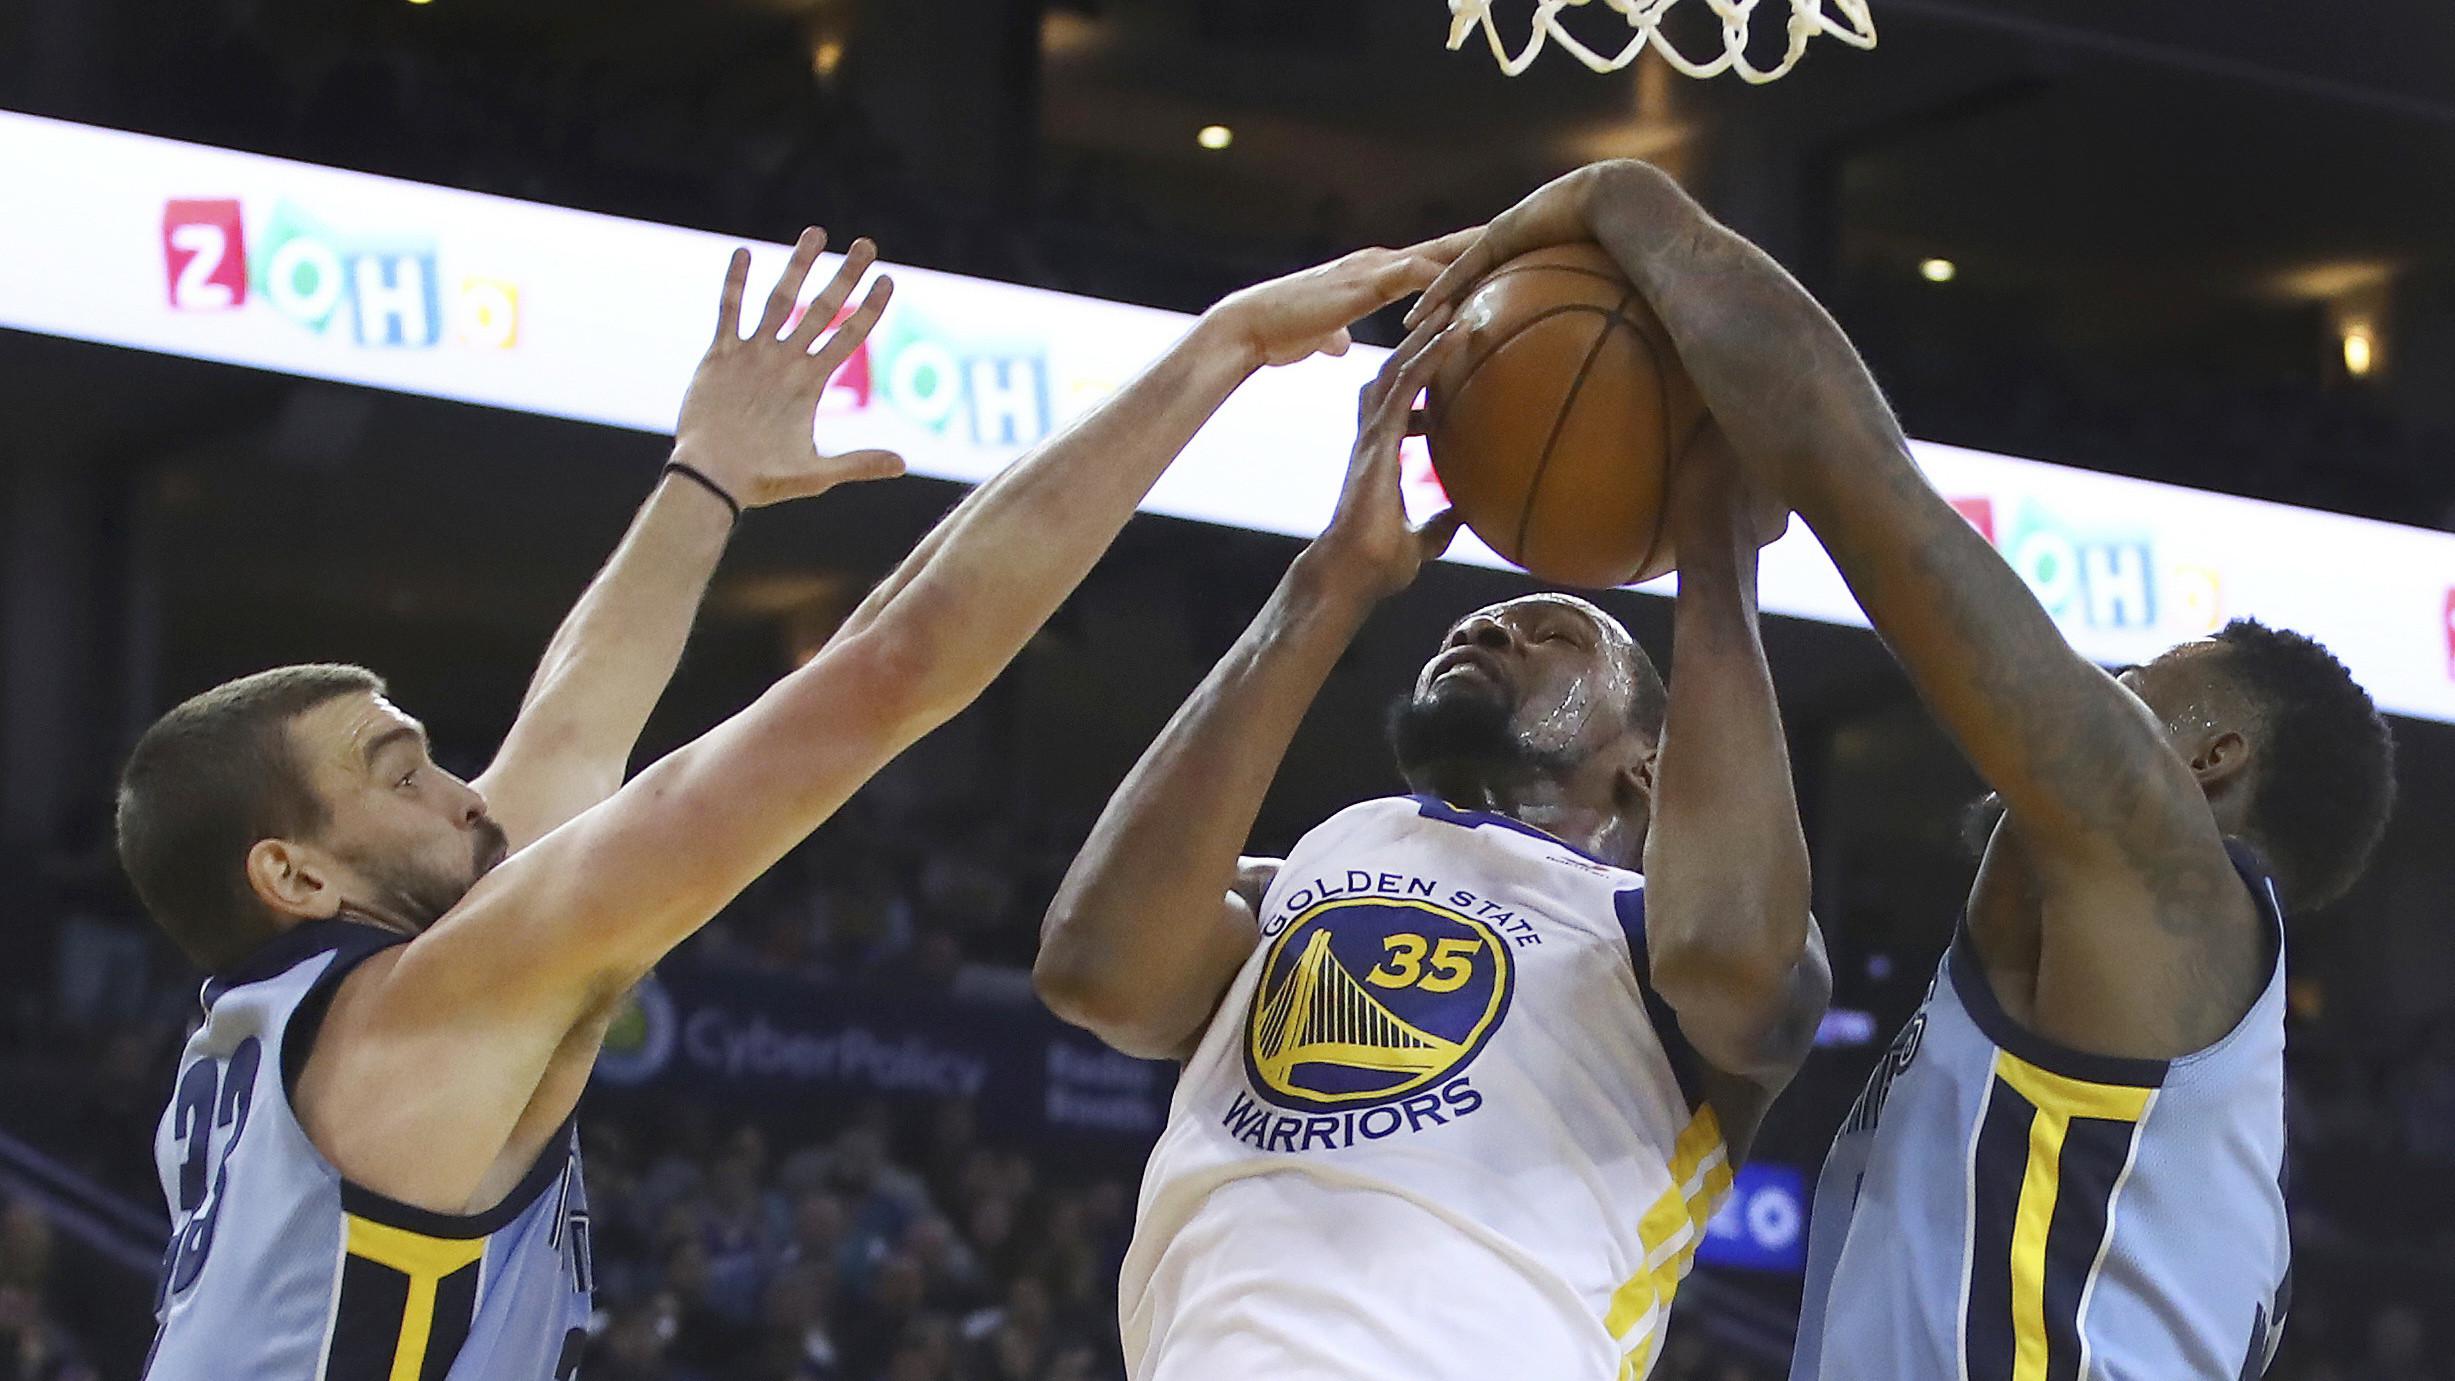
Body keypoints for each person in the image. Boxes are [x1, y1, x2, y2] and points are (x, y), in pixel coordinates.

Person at [121, 222, 1468, 1380]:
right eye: (399, 773)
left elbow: (575, 717)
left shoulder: (297, 1031)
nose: (463, 791)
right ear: (295, 875)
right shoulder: (423, 1006)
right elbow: (890, 671)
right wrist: (1217, 348)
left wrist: (705, 476)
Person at [1414, 160, 2397, 1379]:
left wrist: (1629, 201)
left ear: (2207, 761)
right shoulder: (2136, 1055)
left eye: (2137, 677)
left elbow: (1851, 468)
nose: (2095, 690)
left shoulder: (2173, 887)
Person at [1035, 306, 1829, 1376]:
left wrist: (1713, 555)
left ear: (1651, 763)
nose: (1491, 628)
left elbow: (1738, 957)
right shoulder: (1312, 863)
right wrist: (1330, 583)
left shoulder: (1657, 936)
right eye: (1474, 628)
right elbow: (1099, 971)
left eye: (1553, 635)